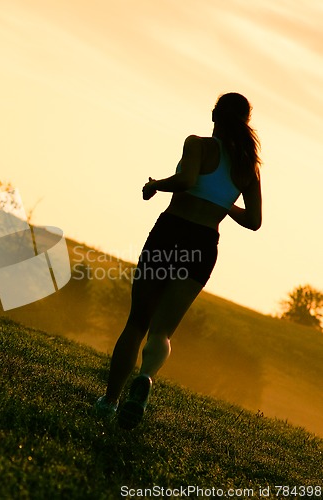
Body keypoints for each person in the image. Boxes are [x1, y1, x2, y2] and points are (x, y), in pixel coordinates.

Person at [94, 92, 262, 430]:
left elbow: (186, 181)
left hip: (171, 232)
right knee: (163, 331)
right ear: (245, 122)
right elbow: (255, 220)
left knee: (137, 322)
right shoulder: (248, 167)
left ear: (215, 115)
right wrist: (224, 204)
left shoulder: (197, 144)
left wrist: (155, 184)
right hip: (204, 244)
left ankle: (109, 402)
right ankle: (145, 378)